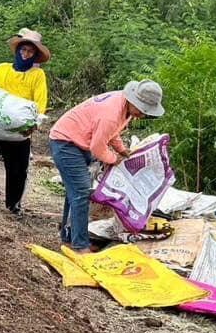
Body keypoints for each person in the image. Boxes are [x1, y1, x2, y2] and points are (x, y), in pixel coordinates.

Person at [49, 79, 165, 253]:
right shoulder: (111, 114)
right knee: (80, 193)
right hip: (66, 142)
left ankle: (69, 238)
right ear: (134, 101)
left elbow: (112, 133)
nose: (142, 115)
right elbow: (97, 147)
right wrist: (113, 158)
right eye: (142, 110)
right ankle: (80, 246)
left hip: (78, 140)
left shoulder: (123, 106)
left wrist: (121, 150)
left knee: (74, 192)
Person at [0, 29, 50, 215]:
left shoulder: (37, 76)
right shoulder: (1, 69)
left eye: (30, 51)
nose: (25, 54)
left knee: (17, 170)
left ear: (35, 55)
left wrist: (33, 124)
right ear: (17, 50)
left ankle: (13, 205)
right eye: (23, 50)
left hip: (17, 131)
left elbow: (40, 104)